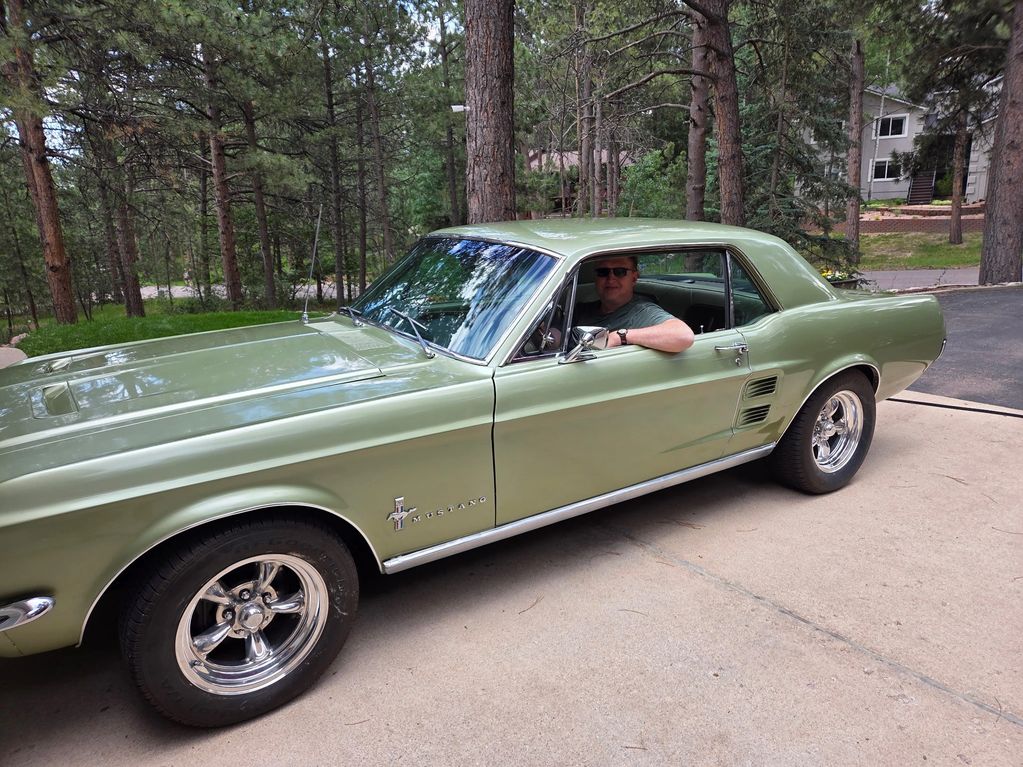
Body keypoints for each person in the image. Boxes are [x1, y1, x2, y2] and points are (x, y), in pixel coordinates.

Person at [575, 256, 695, 353]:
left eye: (620, 272)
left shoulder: (642, 311)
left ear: (634, 278)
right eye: (603, 272)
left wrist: (618, 337)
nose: (610, 279)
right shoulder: (581, 310)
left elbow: (683, 335)